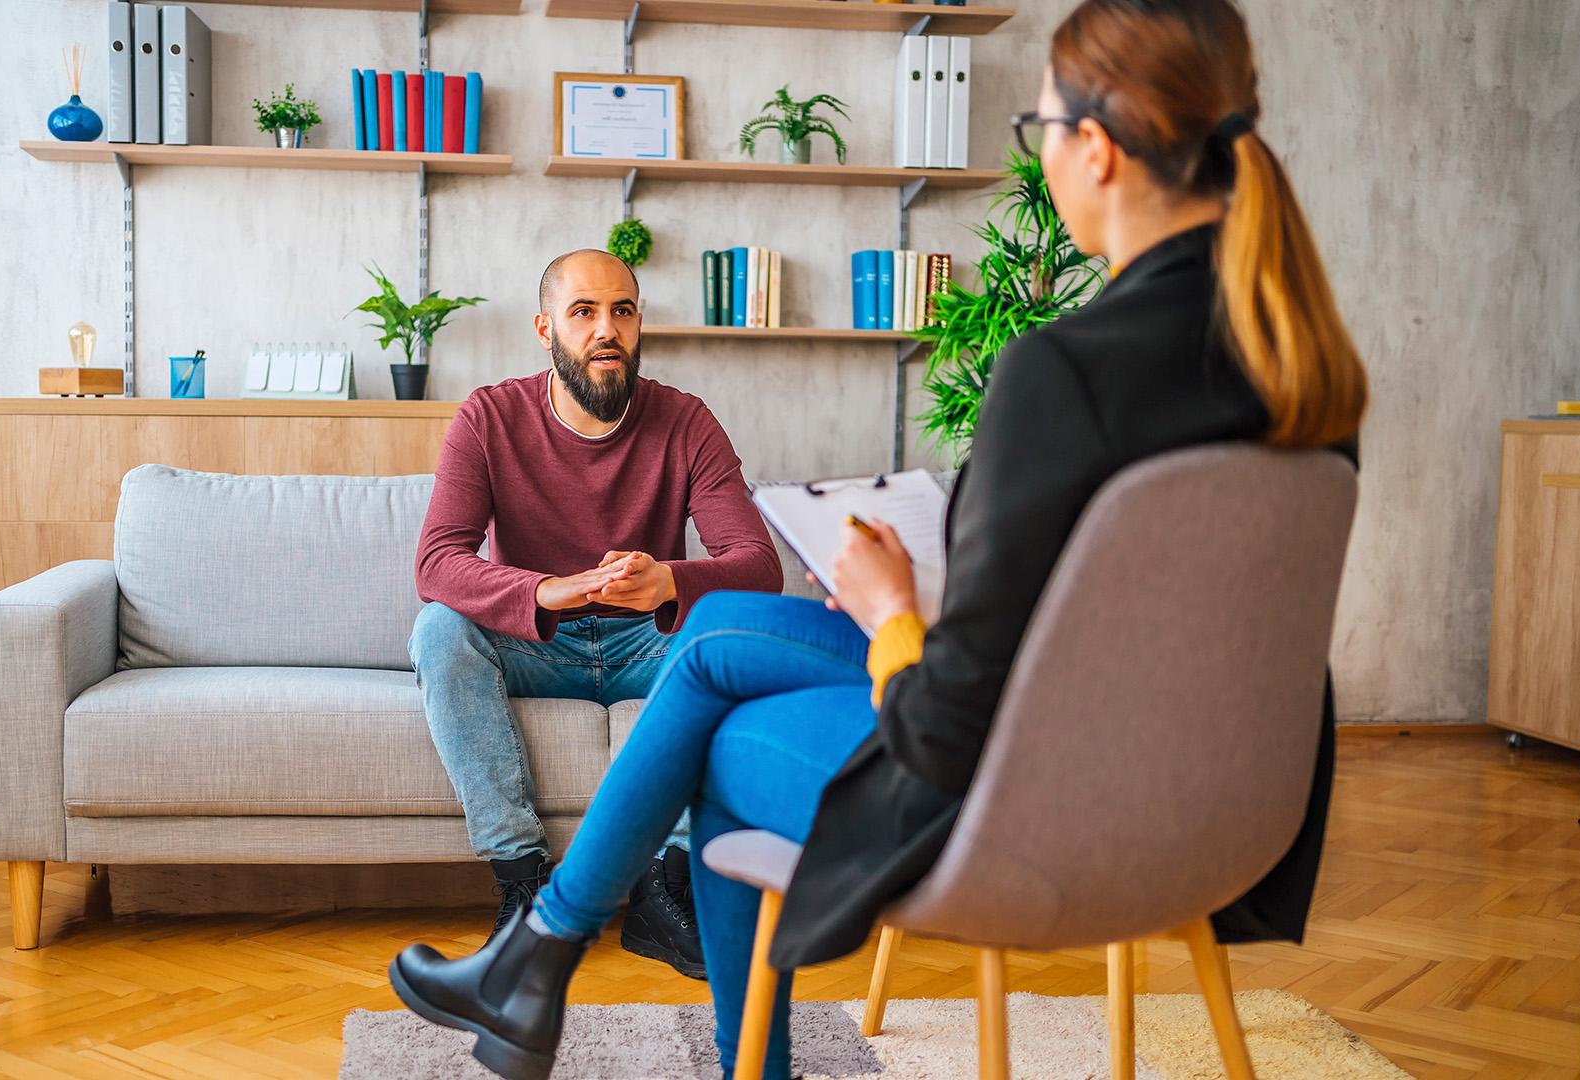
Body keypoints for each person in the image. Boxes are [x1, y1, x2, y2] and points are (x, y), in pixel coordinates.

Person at [388, 0, 1369, 1075]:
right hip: (1212, 808)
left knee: (711, 726)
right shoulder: (1300, 364)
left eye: (1038, 130)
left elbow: (950, 716)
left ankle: (562, 969)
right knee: (717, 637)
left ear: (1095, 148)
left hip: (1031, 805)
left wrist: (898, 605)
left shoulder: (1066, 374)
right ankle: (539, 951)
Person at [409, 248, 783, 977]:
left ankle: (660, 893)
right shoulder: (488, 417)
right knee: (439, 629)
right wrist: (541, 591)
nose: (606, 329)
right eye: (584, 312)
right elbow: (436, 562)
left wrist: (670, 582)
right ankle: (524, 890)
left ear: (640, 324)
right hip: (538, 646)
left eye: (622, 311)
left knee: (729, 636)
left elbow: (758, 564)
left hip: (650, 643)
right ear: (546, 329)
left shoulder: (686, 421)